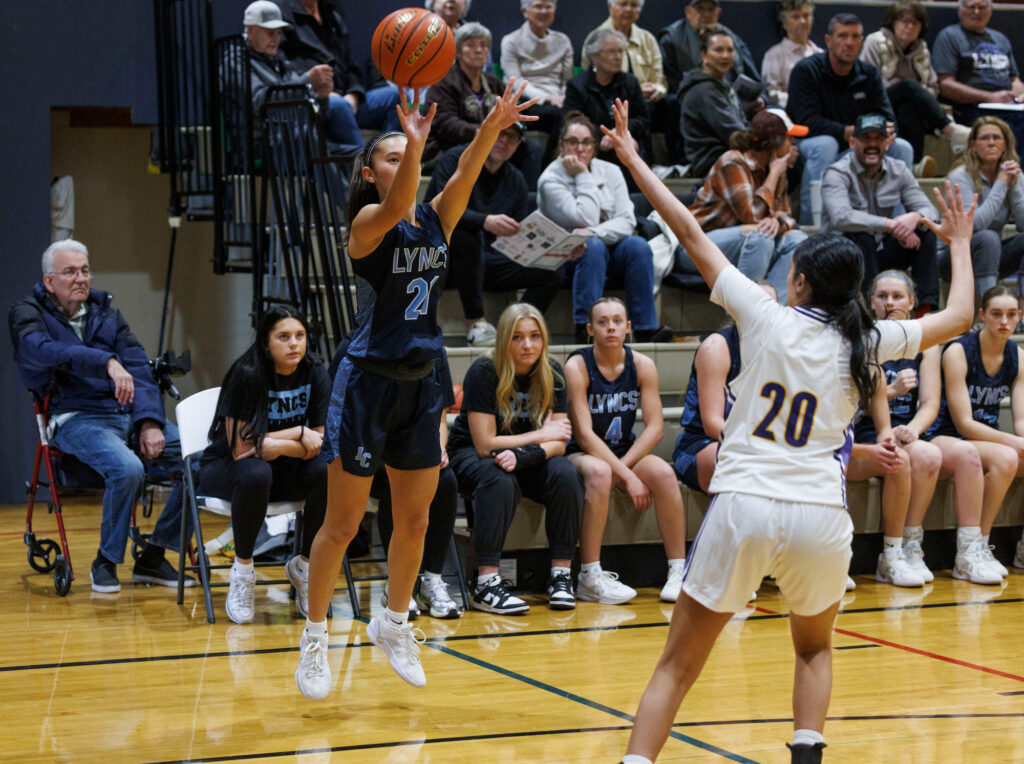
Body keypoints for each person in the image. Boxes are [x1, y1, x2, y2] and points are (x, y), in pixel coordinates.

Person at [600, 97, 976, 764]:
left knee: (676, 667)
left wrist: (631, 154)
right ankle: (806, 754)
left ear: (796, 280)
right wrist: (962, 243)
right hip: (819, 516)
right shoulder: (870, 338)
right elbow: (959, 315)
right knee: (813, 649)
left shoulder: (764, 314)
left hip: (745, 503)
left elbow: (688, 229)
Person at [293, 81, 538, 700]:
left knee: (417, 518)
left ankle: (393, 623)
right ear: (370, 173)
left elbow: (466, 171)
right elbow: (407, 192)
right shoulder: (367, 225)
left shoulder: (435, 222)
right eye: (392, 157)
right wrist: (420, 153)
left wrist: (491, 125)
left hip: (423, 382)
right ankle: (316, 636)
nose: (405, 166)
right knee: (343, 525)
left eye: (410, 154)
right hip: (367, 383)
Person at [9, 240, 191, 594]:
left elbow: (137, 365)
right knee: (128, 468)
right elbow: (41, 351)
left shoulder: (106, 313)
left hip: (124, 414)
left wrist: (149, 422)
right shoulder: (27, 312)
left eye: (85, 270)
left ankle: (153, 556)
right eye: (70, 272)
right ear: (49, 281)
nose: (81, 278)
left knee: (200, 459)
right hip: (74, 416)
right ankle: (105, 562)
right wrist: (104, 360)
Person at [863, 270, 999, 585]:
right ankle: (894, 552)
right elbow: (855, 401)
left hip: (910, 430)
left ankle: (953, 551)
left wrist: (911, 428)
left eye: (897, 296)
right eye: (882, 296)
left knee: (959, 453)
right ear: (871, 302)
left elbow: (930, 403)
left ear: (912, 303)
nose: (890, 302)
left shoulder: (926, 344)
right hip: (869, 430)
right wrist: (891, 392)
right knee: (920, 456)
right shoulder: (865, 337)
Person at [446, 303, 583, 615]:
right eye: (518, 337)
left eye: (535, 336)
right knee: (499, 478)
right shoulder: (484, 372)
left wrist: (526, 456)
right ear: (504, 340)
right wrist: (539, 437)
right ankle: (486, 584)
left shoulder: (554, 374)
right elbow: (485, 444)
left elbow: (560, 442)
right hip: (470, 453)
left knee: (566, 473)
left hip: (521, 456)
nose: (528, 345)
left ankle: (561, 576)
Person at [197, 305, 329, 623]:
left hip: (281, 465)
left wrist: (275, 443)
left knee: (327, 470)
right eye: (283, 337)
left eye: (300, 335)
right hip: (226, 468)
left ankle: (305, 567)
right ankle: (243, 572)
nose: (294, 344)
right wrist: (298, 433)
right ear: (266, 341)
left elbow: (322, 442)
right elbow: (243, 446)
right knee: (256, 471)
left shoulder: (315, 372)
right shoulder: (247, 373)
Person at [565, 298, 687, 604]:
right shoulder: (577, 365)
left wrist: (626, 467)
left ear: (628, 327)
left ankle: (678, 571)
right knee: (601, 471)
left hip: (623, 452)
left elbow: (656, 427)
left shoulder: (643, 365)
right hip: (581, 453)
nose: (611, 328)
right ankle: (589, 575)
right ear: (590, 329)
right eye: (603, 322)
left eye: (617, 321)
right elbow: (584, 434)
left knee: (663, 473)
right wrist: (626, 475)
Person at [425, 122, 569, 344]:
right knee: (469, 235)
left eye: (512, 138)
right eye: (500, 133)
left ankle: (513, 329)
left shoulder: (516, 179)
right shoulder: (456, 160)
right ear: (483, 134)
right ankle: (476, 323)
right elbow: (438, 210)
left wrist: (557, 250)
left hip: (493, 261)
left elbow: (520, 233)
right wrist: (485, 222)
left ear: (518, 145)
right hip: (449, 259)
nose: (503, 141)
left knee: (553, 270)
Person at [537, 111, 672, 345]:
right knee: (592, 246)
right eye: (572, 142)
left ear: (595, 146)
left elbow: (627, 221)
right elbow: (586, 217)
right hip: (566, 257)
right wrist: (582, 174)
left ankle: (645, 328)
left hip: (607, 249)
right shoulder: (550, 179)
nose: (580, 149)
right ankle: (586, 328)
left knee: (637, 245)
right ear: (561, 145)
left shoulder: (611, 171)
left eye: (586, 142)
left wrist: (594, 232)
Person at [926, 285, 1024, 583]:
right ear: (982, 315)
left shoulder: (1018, 355)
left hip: (986, 440)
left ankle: (1020, 549)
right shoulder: (958, 351)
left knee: (1011, 454)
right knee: (1008, 456)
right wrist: (1016, 442)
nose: (1004, 322)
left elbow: (1020, 420)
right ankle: (973, 548)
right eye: (996, 314)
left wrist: (1020, 438)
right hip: (946, 436)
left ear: (1020, 317)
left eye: (1011, 315)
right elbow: (964, 423)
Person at [788, 13, 914, 225]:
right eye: (842, 36)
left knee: (902, 147)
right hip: (809, 142)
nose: (849, 43)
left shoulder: (869, 73)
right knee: (825, 144)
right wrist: (849, 132)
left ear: (862, 41)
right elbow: (807, 121)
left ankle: (899, 225)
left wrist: (886, 132)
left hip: (856, 143)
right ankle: (813, 227)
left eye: (855, 37)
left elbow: (887, 115)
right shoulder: (806, 71)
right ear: (828, 40)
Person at [677, 109, 807, 302]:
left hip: (746, 245)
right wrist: (773, 176)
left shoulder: (776, 169)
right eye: (790, 139)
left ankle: (775, 313)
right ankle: (746, 315)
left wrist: (778, 222)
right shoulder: (733, 162)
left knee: (798, 239)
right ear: (775, 142)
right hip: (697, 247)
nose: (794, 146)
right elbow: (752, 216)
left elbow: (787, 215)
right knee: (760, 236)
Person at [821, 113, 940, 312]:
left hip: (879, 252)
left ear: (887, 143)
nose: (872, 144)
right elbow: (841, 217)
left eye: (878, 138)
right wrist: (891, 225)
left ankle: (924, 313)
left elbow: (930, 210)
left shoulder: (899, 169)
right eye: (866, 138)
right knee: (862, 236)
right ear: (852, 142)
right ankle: (871, 312)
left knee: (925, 233)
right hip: (842, 256)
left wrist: (915, 217)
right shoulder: (837, 172)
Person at [673, 280, 778, 498]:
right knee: (735, 462)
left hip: (757, 445)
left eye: (772, 307)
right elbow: (713, 425)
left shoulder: (781, 348)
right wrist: (760, 449)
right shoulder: (717, 347)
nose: (766, 313)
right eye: (760, 305)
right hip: (705, 445)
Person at [424, 23, 544, 188]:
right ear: (458, 51)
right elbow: (445, 122)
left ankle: (528, 203)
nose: (479, 50)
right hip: (455, 145)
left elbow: (510, 113)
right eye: (471, 45)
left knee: (530, 147)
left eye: (483, 45)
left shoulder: (495, 84)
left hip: (492, 142)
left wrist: (513, 132)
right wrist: (480, 132)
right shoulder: (443, 84)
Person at [860, 1, 971, 173]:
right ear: (893, 23)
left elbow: (934, 86)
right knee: (907, 85)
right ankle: (950, 129)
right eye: (905, 22)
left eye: (915, 23)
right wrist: (912, 89)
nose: (910, 27)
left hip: (904, 108)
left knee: (909, 107)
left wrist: (923, 93)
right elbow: (867, 83)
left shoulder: (921, 49)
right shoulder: (875, 42)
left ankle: (914, 164)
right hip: (877, 102)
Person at [241, 0, 362, 155]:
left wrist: (322, 97)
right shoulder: (237, 60)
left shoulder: (279, 62)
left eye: (279, 33)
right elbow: (261, 101)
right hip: (265, 142)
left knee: (362, 155)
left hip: (294, 135)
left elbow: (310, 108)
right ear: (250, 30)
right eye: (270, 33)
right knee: (317, 145)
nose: (276, 39)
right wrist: (308, 81)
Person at [277, 0, 401, 135]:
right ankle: (362, 155)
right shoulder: (283, 12)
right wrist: (321, 91)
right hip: (316, 101)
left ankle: (391, 154)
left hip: (347, 99)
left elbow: (351, 65)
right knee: (339, 105)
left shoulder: (331, 13)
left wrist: (353, 94)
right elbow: (283, 68)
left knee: (394, 96)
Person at [942, 116, 1024, 299]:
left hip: (991, 256)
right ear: (973, 145)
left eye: (997, 138)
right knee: (988, 237)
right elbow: (974, 226)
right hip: (953, 257)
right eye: (985, 138)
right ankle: (991, 309)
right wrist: (1001, 184)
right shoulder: (959, 177)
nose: (991, 143)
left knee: (994, 240)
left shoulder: (1010, 174)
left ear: (1005, 144)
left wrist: (1015, 185)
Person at [932, 0, 1024, 147]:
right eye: (971, 7)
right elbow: (945, 85)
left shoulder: (1001, 39)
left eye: (982, 7)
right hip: (971, 108)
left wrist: (1020, 97)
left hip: (1007, 106)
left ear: (990, 11)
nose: (976, 12)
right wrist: (990, 98)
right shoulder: (949, 36)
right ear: (960, 10)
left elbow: (1014, 80)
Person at [564, 29, 651, 173]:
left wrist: (620, 133)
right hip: (592, 144)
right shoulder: (577, 85)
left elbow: (643, 119)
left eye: (620, 51)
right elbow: (572, 120)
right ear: (594, 57)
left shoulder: (630, 82)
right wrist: (604, 135)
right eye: (611, 52)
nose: (617, 57)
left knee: (634, 156)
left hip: (625, 142)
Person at [499, 0, 573, 157]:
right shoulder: (511, 41)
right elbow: (516, 82)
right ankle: (550, 166)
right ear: (525, 11)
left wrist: (562, 98)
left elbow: (567, 80)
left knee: (574, 112)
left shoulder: (563, 41)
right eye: (538, 6)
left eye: (548, 7)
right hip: (526, 102)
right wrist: (547, 98)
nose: (543, 11)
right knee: (560, 115)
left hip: (559, 101)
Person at [677, 25, 749, 179]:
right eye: (718, 50)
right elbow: (735, 134)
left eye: (730, 50)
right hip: (712, 163)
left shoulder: (723, 85)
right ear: (704, 55)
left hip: (730, 156)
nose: (725, 55)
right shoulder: (704, 91)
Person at [659, 0, 762, 96]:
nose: (707, 14)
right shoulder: (670, 39)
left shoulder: (731, 38)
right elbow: (672, 87)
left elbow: (754, 78)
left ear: (718, 12)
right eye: (700, 9)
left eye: (711, 9)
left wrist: (761, 98)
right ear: (688, 12)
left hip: (734, 102)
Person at [762, 0, 822, 109]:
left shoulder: (820, 54)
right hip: (790, 114)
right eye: (795, 17)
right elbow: (771, 93)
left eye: (806, 16)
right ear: (784, 23)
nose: (802, 21)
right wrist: (802, 101)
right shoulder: (775, 55)